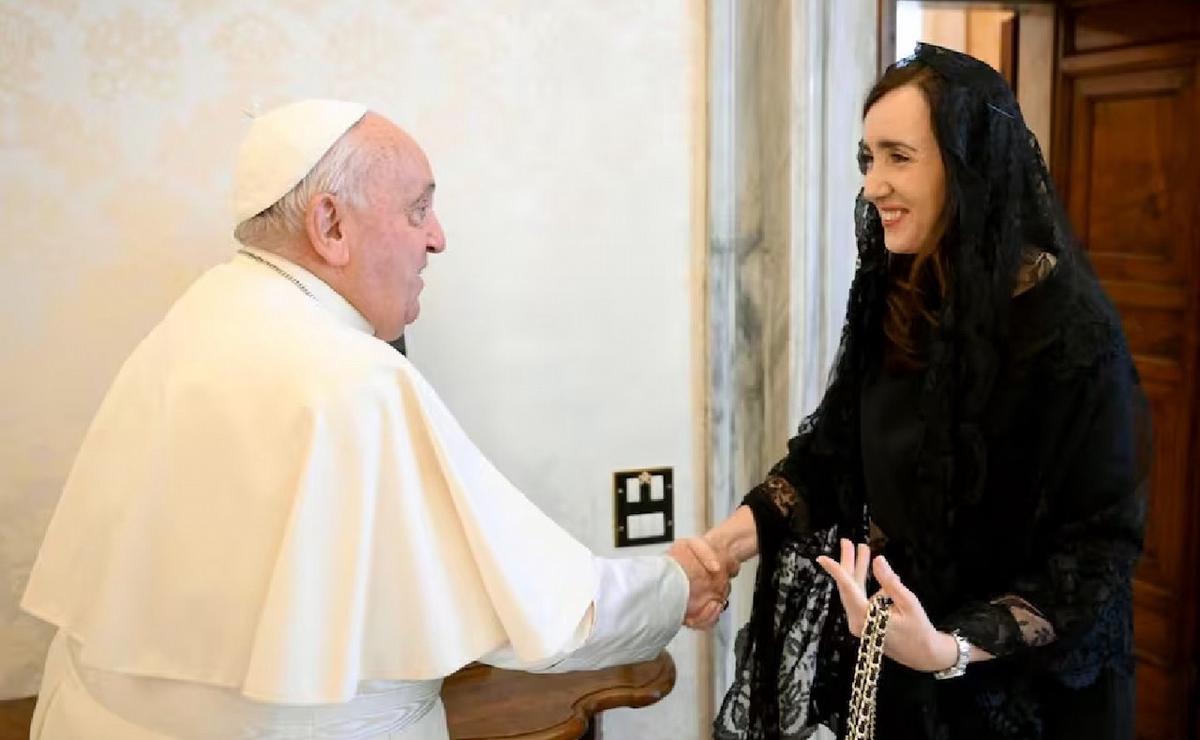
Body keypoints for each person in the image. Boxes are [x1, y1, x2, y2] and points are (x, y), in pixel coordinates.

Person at [21, 99, 732, 739]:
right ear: (330, 224)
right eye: (419, 209)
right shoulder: (351, 377)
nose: (438, 238)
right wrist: (678, 584)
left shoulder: (197, 315)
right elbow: (542, 615)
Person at [706, 44, 1148, 740]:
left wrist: (949, 648)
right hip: (906, 679)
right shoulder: (898, 291)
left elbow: (1097, 556)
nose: (873, 184)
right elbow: (831, 454)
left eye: (898, 156)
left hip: (1032, 702)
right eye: (867, 158)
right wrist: (725, 543)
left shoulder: (1071, 334)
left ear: (968, 169)